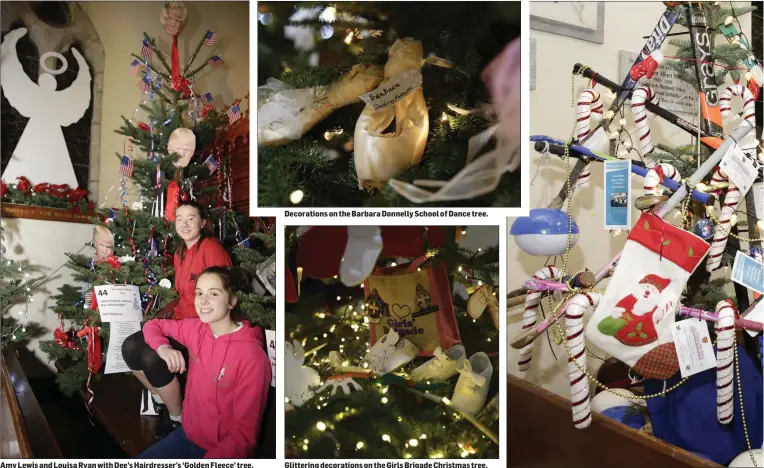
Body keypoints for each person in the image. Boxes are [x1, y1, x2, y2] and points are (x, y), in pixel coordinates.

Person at [137, 266, 271, 458]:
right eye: (199, 293)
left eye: (214, 293)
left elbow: (243, 438)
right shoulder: (197, 328)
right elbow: (153, 325)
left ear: (232, 301)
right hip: (186, 434)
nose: (203, 301)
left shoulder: (253, 358)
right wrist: (163, 348)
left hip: (221, 450)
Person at [122, 199, 232, 432]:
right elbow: (181, 295)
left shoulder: (211, 248)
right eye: (179, 219)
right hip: (179, 321)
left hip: (201, 326)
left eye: (190, 218)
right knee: (130, 347)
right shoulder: (180, 252)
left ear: (202, 222)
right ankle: (163, 400)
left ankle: (178, 419)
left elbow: (223, 294)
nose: (184, 224)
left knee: (153, 358)